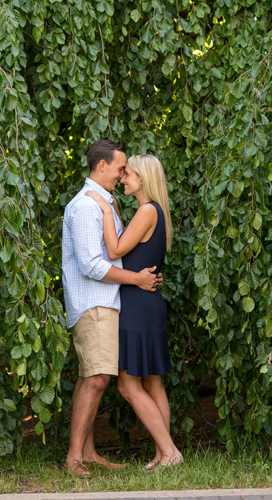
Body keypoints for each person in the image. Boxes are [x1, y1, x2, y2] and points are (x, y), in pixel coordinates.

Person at [61, 139, 163, 478]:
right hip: (95, 303)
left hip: (105, 303)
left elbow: (115, 250)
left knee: (90, 376)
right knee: (99, 378)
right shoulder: (88, 206)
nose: (122, 175)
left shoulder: (104, 203)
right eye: (120, 168)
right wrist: (135, 279)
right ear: (101, 165)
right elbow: (93, 264)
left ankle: (86, 453)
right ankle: (75, 457)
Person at [85, 153, 184, 469]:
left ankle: (169, 452)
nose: (123, 179)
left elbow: (114, 250)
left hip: (137, 306)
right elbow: (133, 247)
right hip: (148, 302)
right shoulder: (154, 212)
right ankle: (162, 455)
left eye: (128, 174)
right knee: (152, 382)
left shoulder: (146, 211)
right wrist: (114, 210)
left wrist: (103, 207)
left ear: (143, 179)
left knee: (128, 385)